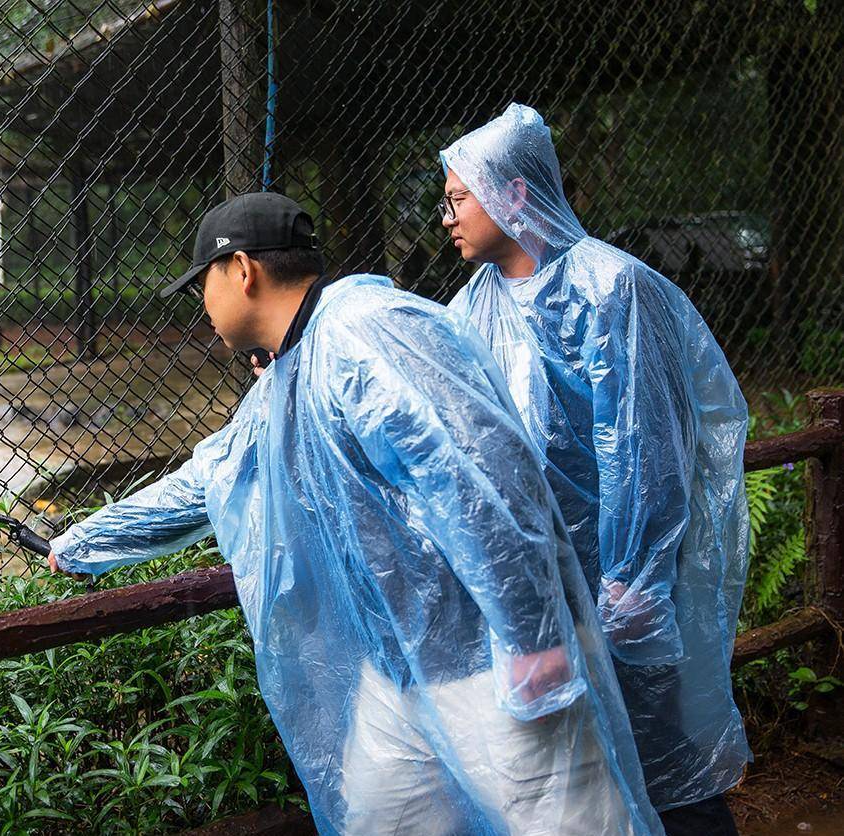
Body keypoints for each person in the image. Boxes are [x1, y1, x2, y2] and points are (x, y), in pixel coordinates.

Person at [47, 191, 662, 835]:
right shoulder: (289, 373)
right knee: (381, 821)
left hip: (492, 659)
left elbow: (483, 480)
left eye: (201, 283)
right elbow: (211, 478)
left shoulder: (364, 331)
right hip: (398, 668)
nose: (201, 304)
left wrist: (533, 637)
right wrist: (81, 543)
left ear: (242, 271)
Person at [440, 103, 750, 835]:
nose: (446, 218)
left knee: (665, 769)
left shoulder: (613, 288)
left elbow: (647, 451)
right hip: (541, 597)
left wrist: (633, 584)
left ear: (514, 194)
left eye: (459, 198)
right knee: (584, 781)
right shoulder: (469, 308)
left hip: (616, 588)